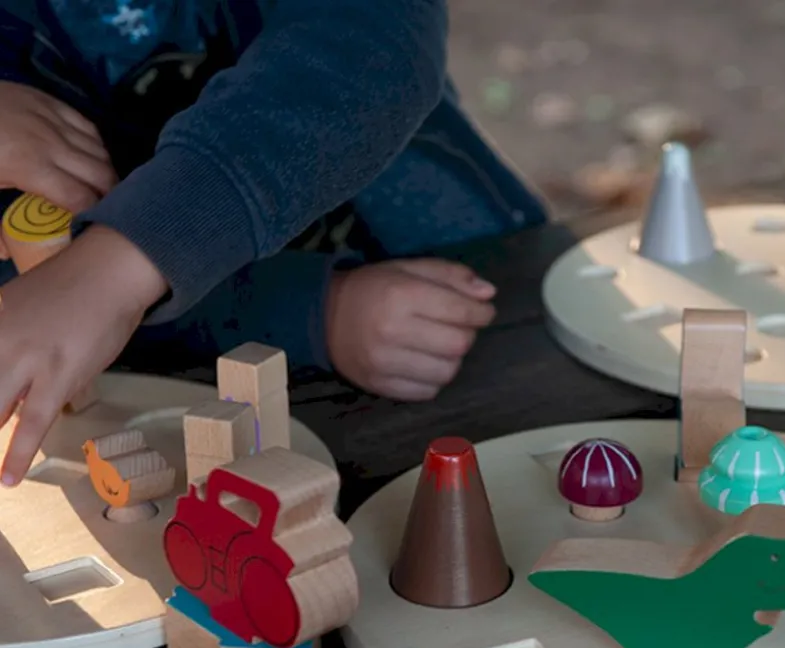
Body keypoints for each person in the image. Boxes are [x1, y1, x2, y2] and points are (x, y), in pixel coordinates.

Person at [0, 0, 547, 485]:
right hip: (181, 403)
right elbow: (48, 314)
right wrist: (310, 309)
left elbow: (369, 46)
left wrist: (124, 260)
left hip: (456, 303)